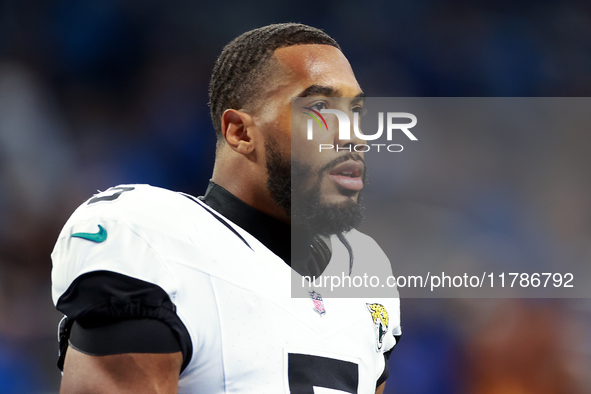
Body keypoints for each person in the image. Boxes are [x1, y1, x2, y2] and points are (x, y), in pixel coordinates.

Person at [51, 23, 401, 393]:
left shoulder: (365, 274)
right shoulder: (151, 236)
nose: (353, 136)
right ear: (240, 132)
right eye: (319, 108)